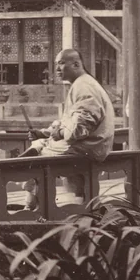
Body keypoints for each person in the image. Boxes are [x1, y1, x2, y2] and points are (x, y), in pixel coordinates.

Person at [20, 48, 116, 208]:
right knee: (40, 144)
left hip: (87, 147)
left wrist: (59, 133)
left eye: (62, 64)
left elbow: (78, 129)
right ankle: (70, 203)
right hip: (86, 145)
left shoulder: (84, 86)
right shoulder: (81, 84)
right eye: (57, 64)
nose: (57, 69)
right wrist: (43, 133)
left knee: (36, 158)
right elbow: (69, 124)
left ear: (76, 64)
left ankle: (34, 208)